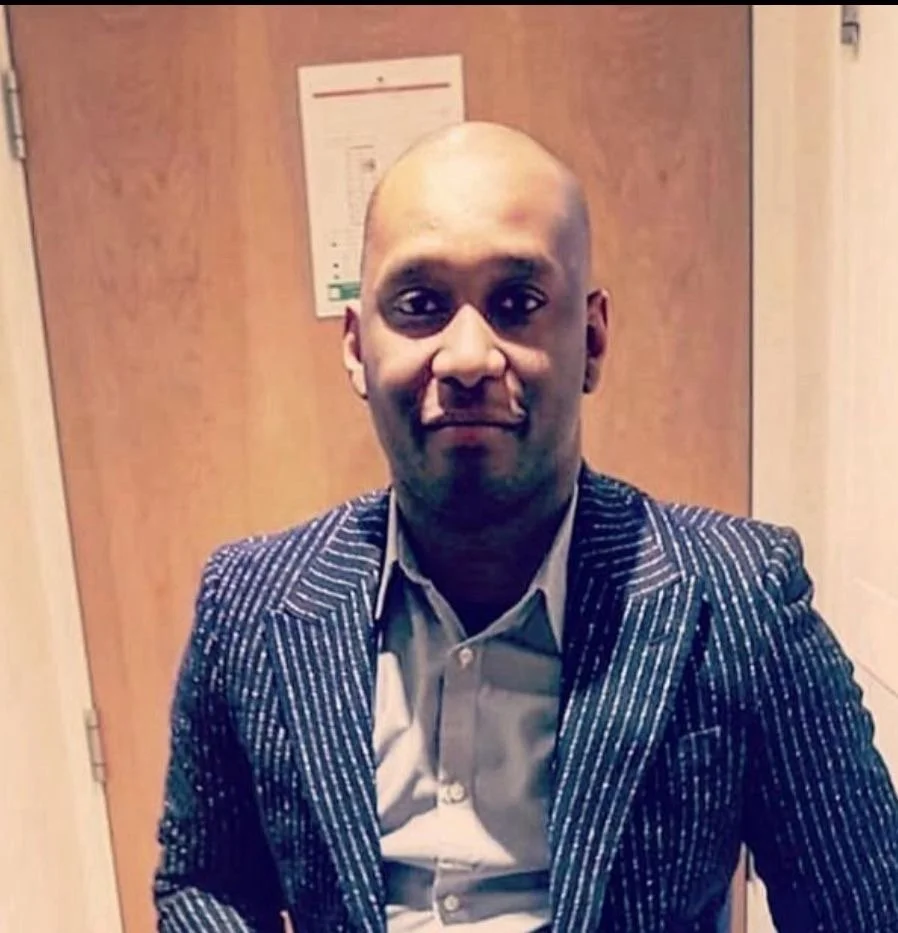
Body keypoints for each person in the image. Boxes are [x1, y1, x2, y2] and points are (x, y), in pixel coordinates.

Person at [153, 120, 898, 932]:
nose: (467, 356)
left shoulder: (739, 597)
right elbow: (206, 886)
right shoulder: (250, 603)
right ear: (356, 346)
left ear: (592, 337)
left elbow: (862, 908)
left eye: (518, 303)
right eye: (420, 305)